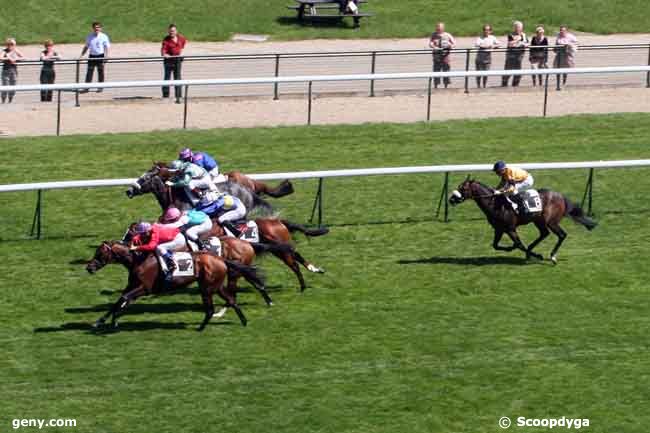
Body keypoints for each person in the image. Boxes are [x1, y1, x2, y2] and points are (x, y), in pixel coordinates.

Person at [80, 22, 110, 93]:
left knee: (100, 72)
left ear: (100, 28)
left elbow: (106, 47)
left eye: (98, 27)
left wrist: (106, 56)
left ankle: (100, 87)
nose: (97, 29)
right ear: (93, 28)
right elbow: (86, 47)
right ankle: (86, 88)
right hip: (92, 56)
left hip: (100, 56)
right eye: (95, 27)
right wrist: (81, 56)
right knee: (89, 72)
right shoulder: (89, 36)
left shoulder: (104, 36)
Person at [161, 24, 187, 104]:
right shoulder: (166, 39)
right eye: (170, 31)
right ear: (168, 32)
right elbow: (163, 50)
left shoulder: (181, 38)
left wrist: (179, 53)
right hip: (168, 62)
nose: (172, 32)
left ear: (176, 31)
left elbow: (182, 45)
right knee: (167, 78)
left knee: (178, 78)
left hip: (177, 61)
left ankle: (178, 97)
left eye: (173, 31)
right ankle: (165, 97)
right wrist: (165, 55)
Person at [502, 21, 529, 87]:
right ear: (514, 28)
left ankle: (515, 85)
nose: (519, 29)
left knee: (518, 72)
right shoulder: (511, 35)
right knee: (507, 71)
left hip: (519, 57)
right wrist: (518, 40)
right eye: (517, 27)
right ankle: (504, 85)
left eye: (520, 27)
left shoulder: (524, 35)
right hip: (510, 57)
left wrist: (522, 44)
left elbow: (527, 43)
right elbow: (510, 44)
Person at [429, 22, 456, 89]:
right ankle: (436, 86)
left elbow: (454, 43)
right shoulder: (433, 35)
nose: (438, 29)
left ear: (443, 28)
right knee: (436, 71)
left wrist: (450, 45)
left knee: (446, 71)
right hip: (437, 56)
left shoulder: (447, 35)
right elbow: (430, 43)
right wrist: (433, 46)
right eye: (437, 28)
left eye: (440, 28)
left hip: (445, 56)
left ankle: (446, 86)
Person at [1, 38, 24, 104]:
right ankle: (3, 100)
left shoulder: (15, 50)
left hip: (14, 71)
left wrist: (16, 58)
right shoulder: (5, 51)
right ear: (7, 45)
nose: (11, 46)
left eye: (12, 44)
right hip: (6, 71)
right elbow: (1, 57)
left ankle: (10, 99)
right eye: (9, 44)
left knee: (13, 86)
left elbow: (23, 57)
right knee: (5, 86)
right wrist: (8, 58)